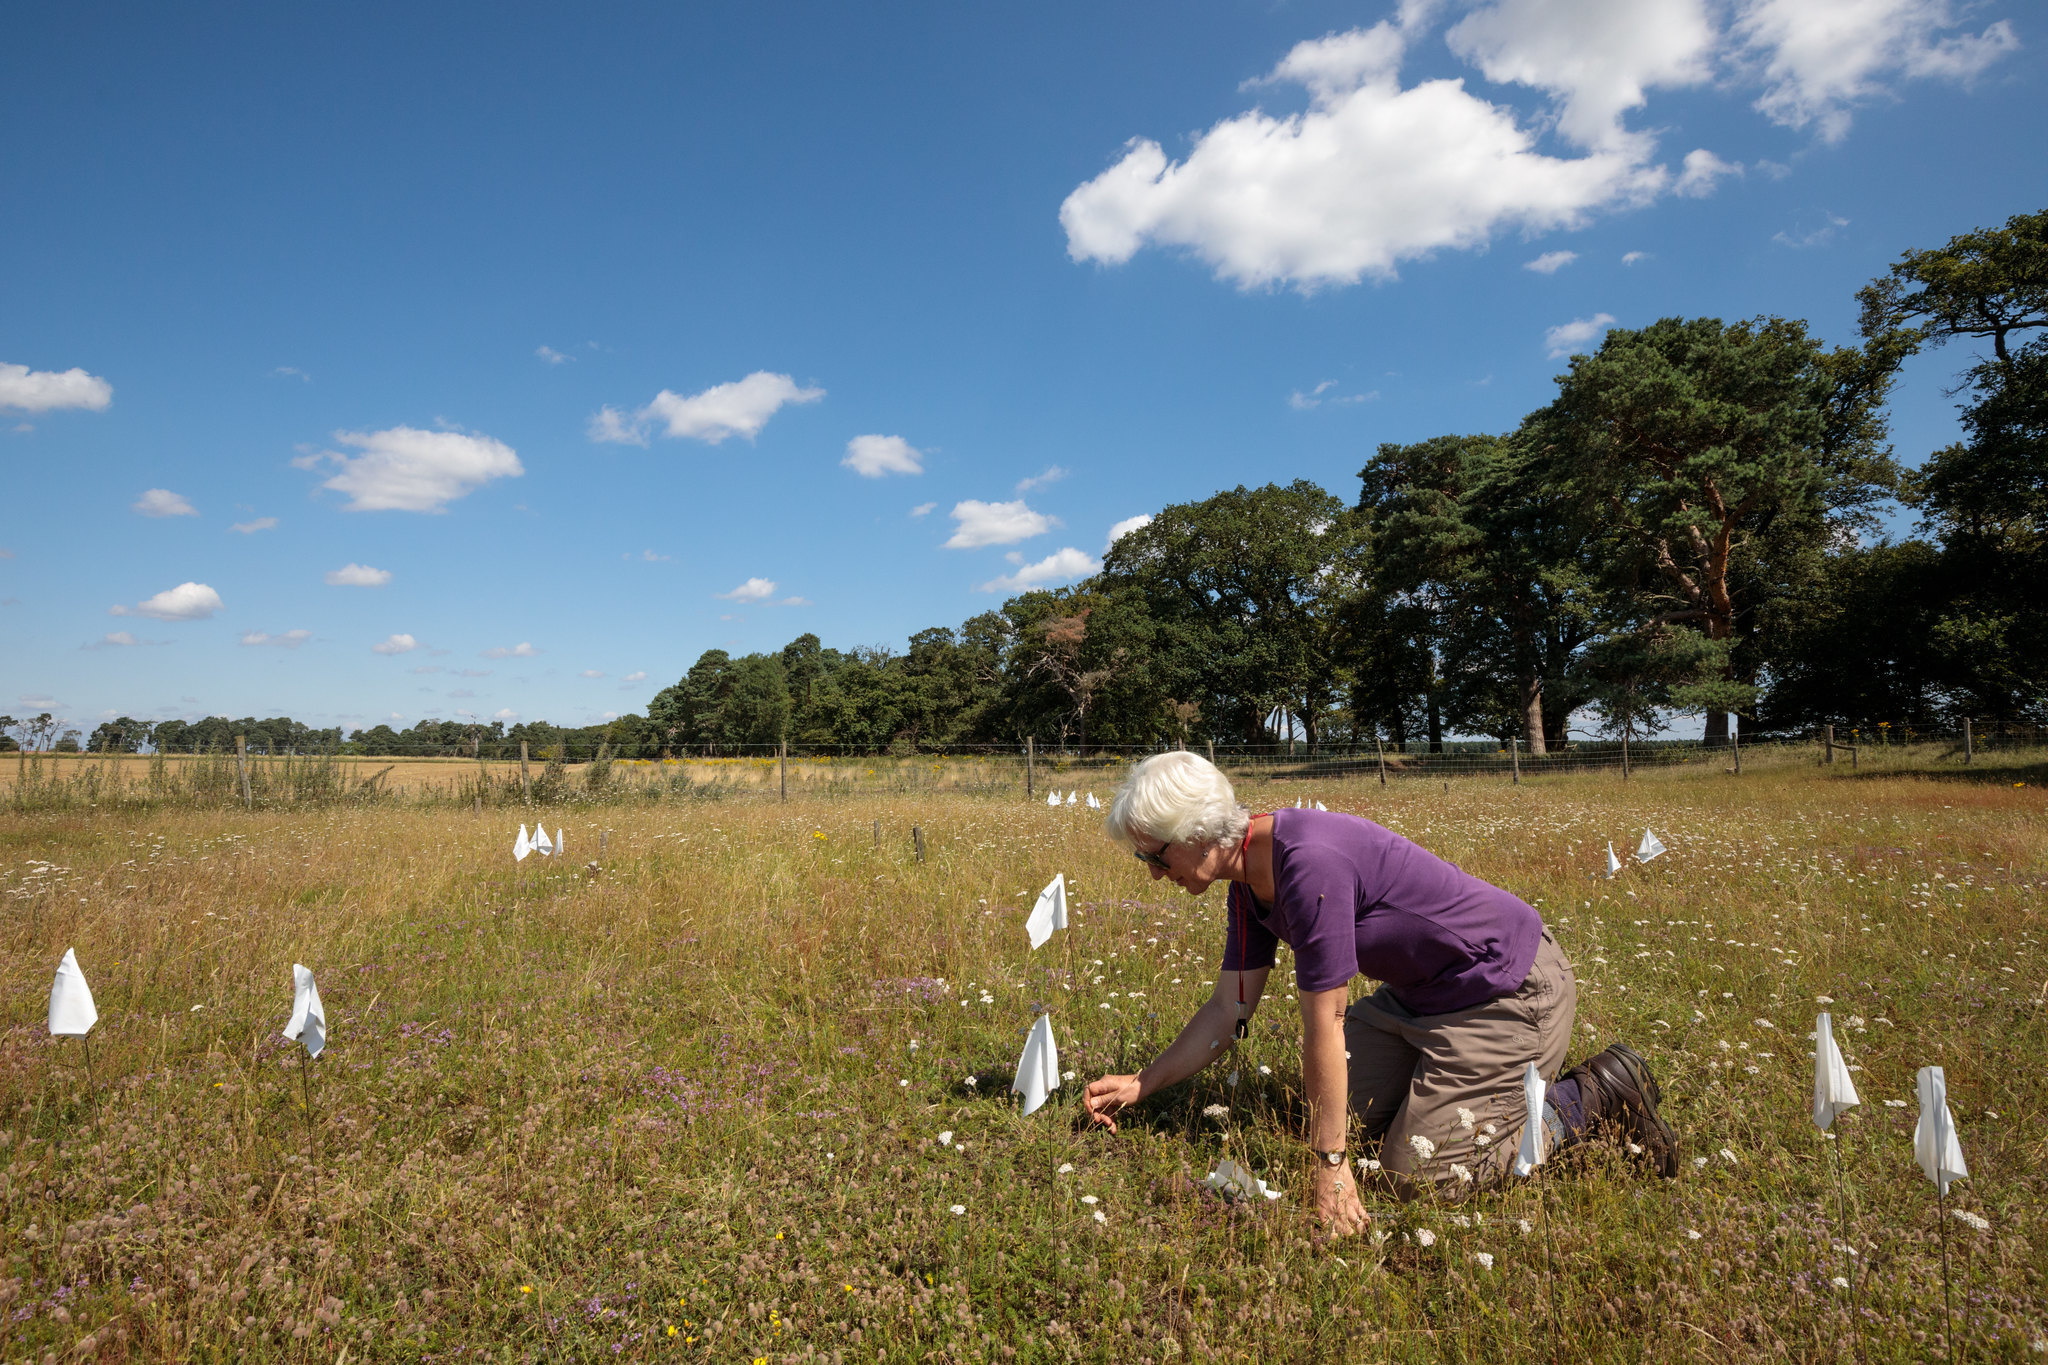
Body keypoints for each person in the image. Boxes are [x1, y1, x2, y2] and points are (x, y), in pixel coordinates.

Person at [1080, 751, 1677, 1232]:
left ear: (1198, 832)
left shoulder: (1306, 863)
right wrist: (1143, 1083)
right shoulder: (1246, 883)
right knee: (1316, 1112)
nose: (1153, 873)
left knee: (1420, 1177)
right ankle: (1450, 1085)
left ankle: (1592, 1096)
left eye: (1153, 855)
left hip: (1507, 989)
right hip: (1421, 999)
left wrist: (1330, 1167)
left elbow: (1327, 1021)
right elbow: (1229, 1010)